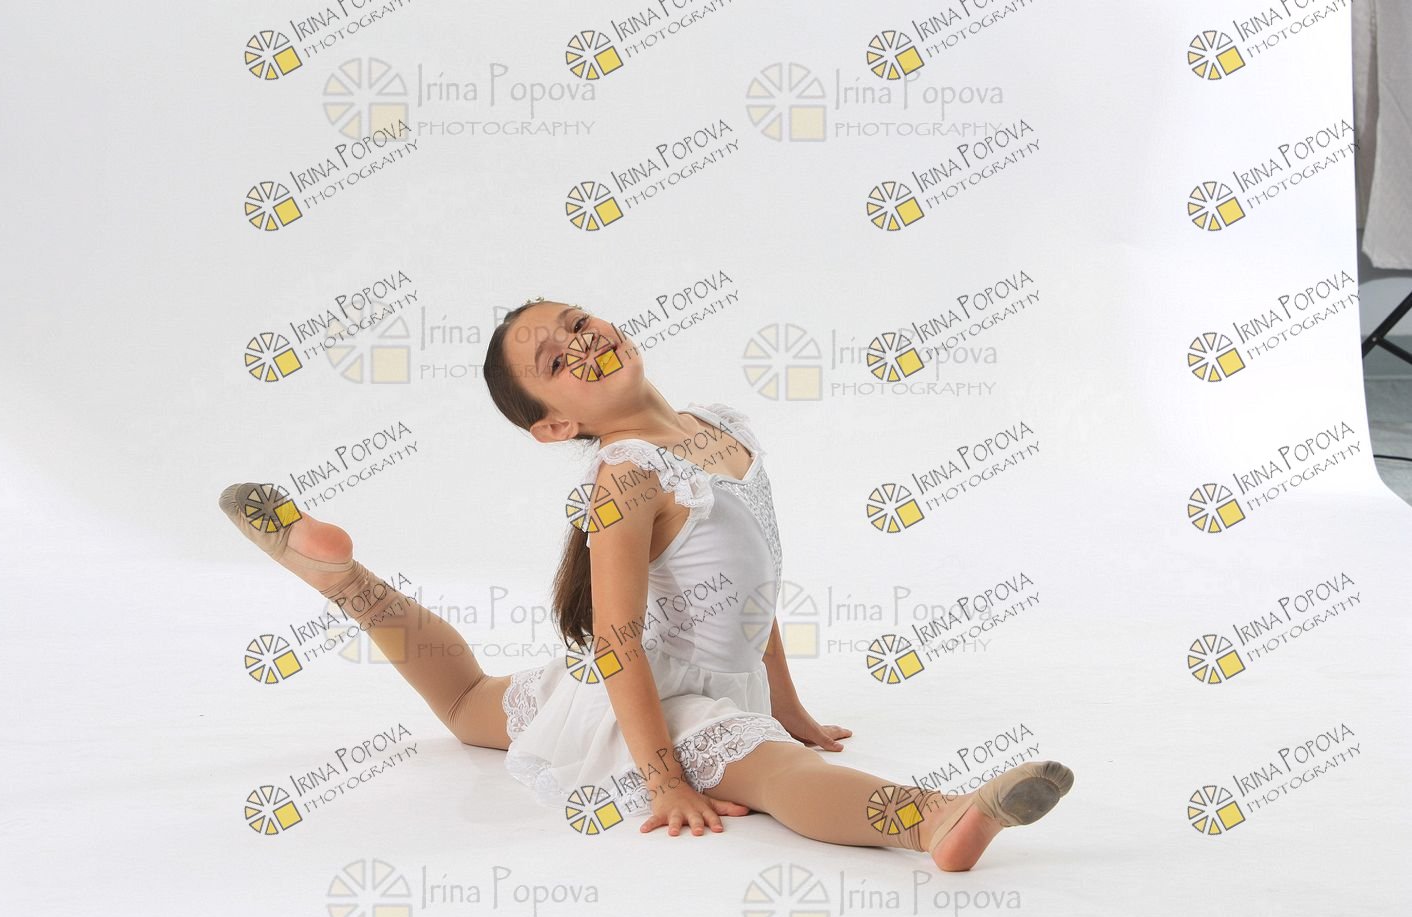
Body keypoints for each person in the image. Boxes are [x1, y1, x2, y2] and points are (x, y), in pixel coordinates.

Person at [217, 297, 1073, 870]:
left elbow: (755, 586)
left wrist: (787, 701)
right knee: (773, 776)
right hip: (650, 698)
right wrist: (662, 776)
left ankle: (336, 573)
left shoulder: (721, 430)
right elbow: (616, 638)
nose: (584, 342)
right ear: (556, 426)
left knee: (470, 699)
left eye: (578, 323)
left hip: (696, 675)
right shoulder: (626, 477)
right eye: (557, 359)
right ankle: (933, 818)